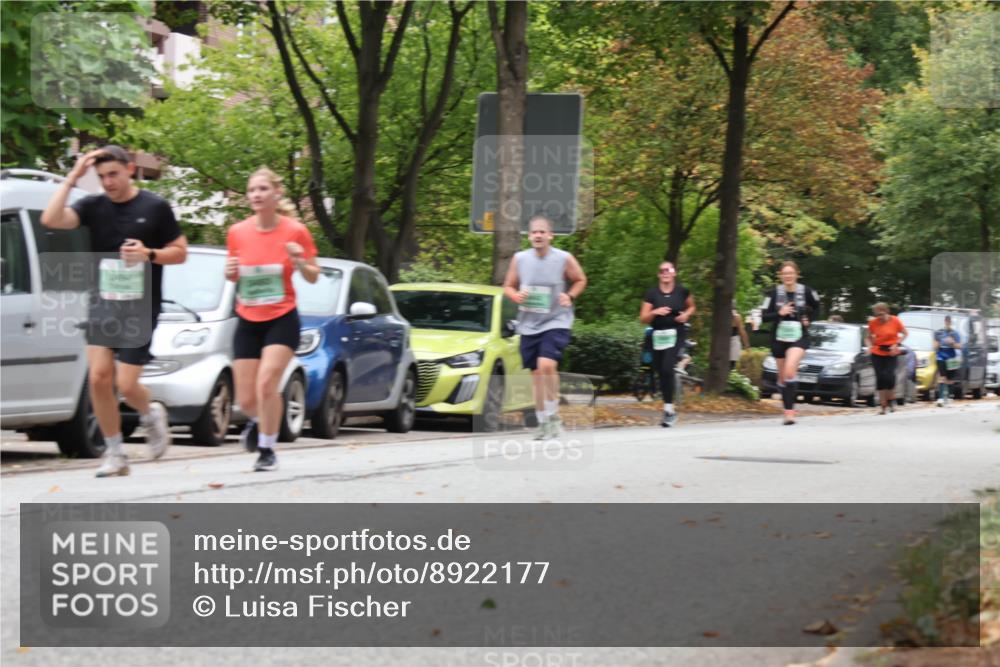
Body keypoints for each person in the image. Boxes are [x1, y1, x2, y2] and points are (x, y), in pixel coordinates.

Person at [41, 146, 187, 477]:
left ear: (130, 169)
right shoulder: (93, 206)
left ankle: (150, 413)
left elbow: (180, 252)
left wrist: (149, 254)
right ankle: (116, 453)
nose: (108, 182)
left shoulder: (155, 207)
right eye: (102, 177)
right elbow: (50, 219)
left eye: (114, 175)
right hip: (102, 303)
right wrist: (73, 177)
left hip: (140, 307)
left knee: (127, 385)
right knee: (98, 378)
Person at [226, 167, 320, 471]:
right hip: (247, 317)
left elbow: (314, 275)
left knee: (267, 383)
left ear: (276, 194)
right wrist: (229, 273)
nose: (256, 194)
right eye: (252, 190)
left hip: (282, 318)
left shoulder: (296, 231)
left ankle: (267, 449)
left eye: (263, 189)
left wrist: (300, 261)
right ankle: (258, 421)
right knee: (246, 399)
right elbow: (234, 274)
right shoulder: (237, 232)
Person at [503, 214, 587, 440]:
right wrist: (515, 295)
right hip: (529, 323)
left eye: (542, 232)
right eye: (534, 232)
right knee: (537, 374)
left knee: (546, 364)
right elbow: (508, 286)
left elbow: (580, 279)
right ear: (529, 236)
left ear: (551, 235)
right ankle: (543, 422)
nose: (538, 235)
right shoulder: (520, 259)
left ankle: (552, 415)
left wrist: (570, 295)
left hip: (557, 320)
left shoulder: (563, 258)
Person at [761, 261, 820, 425]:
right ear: (781, 276)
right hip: (779, 338)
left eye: (791, 273)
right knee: (783, 378)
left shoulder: (807, 291)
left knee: (789, 372)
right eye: (785, 273)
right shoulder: (773, 293)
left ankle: (789, 413)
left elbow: (817, 307)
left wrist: (809, 319)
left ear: (796, 274)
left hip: (799, 337)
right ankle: (784, 387)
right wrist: (780, 313)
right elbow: (763, 316)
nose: (788, 276)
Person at [640, 261, 696, 427]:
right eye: (662, 270)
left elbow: (692, 307)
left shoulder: (682, 291)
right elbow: (643, 318)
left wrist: (686, 315)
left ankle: (668, 410)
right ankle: (669, 409)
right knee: (661, 371)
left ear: (674, 273)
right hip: (658, 334)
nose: (665, 272)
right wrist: (654, 312)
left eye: (668, 270)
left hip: (676, 332)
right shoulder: (652, 294)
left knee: (666, 368)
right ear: (659, 274)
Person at [865, 302, 908, 414]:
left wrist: (896, 344)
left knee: (889, 376)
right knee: (880, 377)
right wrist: (869, 347)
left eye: (881, 314)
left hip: (891, 352)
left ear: (887, 311)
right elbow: (867, 338)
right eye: (877, 315)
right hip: (877, 352)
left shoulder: (895, 320)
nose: (879, 317)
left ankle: (891, 400)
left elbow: (905, 333)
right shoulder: (873, 323)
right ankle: (883, 405)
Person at [933, 315, 963, 406]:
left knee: (950, 379)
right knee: (942, 377)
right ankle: (941, 398)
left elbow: (960, 346)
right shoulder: (938, 332)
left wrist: (952, 343)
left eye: (949, 321)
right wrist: (940, 343)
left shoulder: (955, 333)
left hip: (952, 357)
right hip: (941, 356)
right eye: (946, 321)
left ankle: (949, 397)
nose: (948, 323)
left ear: (951, 322)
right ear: (944, 322)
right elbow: (935, 346)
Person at [730, 306, 751, 371]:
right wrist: (746, 345)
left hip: (730, 342)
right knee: (730, 366)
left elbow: (742, 332)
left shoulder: (736, 317)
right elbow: (742, 331)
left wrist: (746, 345)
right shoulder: (736, 317)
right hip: (732, 342)